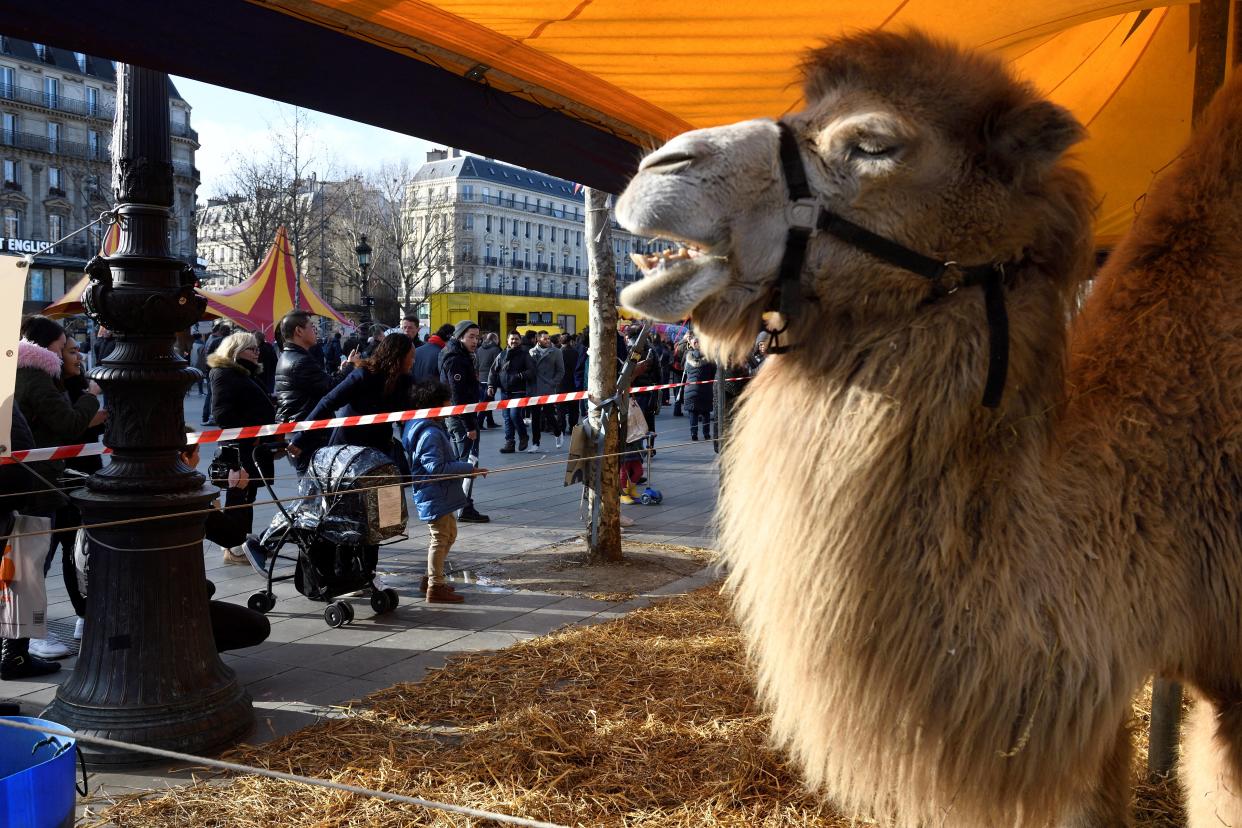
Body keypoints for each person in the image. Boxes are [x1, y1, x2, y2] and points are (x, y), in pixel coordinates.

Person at [11, 315, 105, 663]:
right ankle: (23, 642)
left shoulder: (24, 372)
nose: (71, 352)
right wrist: (91, 397)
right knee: (33, 564)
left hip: (33, 479)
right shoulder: (35, 375)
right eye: (64, 345)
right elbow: (66, 424)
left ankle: (20, 642)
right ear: (47, 346)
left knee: (32, 562)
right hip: (36, 481)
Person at [402, 380, 489, 604]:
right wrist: (469, 469)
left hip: (438, 493)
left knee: (449, 534)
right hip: (433, 493)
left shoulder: (428, 427)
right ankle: (435, 586)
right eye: (447, 403)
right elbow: (436, 468)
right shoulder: (429, 433)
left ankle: (432, 576)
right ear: (434, 406)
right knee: (440, 538)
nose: (451, 406)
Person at [47, 335, 104, 642]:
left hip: (85, 472)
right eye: (70, 351)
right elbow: (72, 425)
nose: (78, 356)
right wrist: (93, 400)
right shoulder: (54, 388)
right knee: (64, 547)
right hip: (64, 476)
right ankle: (79, 614)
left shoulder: (77, 386)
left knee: (78, 547)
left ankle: (86, 612)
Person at [289, 332, 415, 464]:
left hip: (380, 452)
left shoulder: (405, 381)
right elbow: (328, 403)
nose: (413, 361)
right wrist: (301, 437)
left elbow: (408, 413)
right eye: (411, 357)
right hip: (347, 452)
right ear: (398, 356)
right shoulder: (363, 375)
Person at [208, 331, 277, 564]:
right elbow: (222, 414)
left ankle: (242, 541)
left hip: (250, 446)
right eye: (252, 349)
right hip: (240, 448)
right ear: (236, 351)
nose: (257, 353)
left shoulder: (242, 373)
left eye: (258, 349)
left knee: (248, 495)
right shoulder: (225, 374)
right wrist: (250, 433)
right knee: (240, 494)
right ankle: (234, 547)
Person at [273, 310, 353, 474]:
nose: (315, 330)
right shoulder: (300, 360)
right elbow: (331, 389)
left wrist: (340, 370)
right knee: (312, 490)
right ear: (299, 331)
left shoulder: (292, 356)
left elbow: (322, 385)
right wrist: (350, 367)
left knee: (314, 488)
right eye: (312, 326)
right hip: (309, 435)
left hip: (305, 432)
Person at [438, 320, 489, 523]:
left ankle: (461, 503)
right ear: (459, 336)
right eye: (471, 337)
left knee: (464, 461)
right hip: (461, 418)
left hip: (461, 416)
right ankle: (463, 507)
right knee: (467, 461)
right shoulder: (455, 358)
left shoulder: (457, 353)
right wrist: (469, 426)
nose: (475, 341)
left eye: (477, 337)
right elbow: (457, 396)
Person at [489, 331, 534, 454]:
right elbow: (493, 371)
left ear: (520, 340)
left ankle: (523, 436)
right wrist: (490, 385)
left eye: (516, 339)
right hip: (504, 391)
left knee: (514, 415)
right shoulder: (501, 355)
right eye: (512, 339)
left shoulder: (525, 355)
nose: (514, 341)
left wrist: (519, 375)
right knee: (507, 417)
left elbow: (531, 371)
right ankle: (510, 443)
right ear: (507, 341)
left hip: (519, 391)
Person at [528, 330, 565, 450]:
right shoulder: (531, 352)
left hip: (548, 388)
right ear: (538, 340)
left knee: (549, 414)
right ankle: (535, 443)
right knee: (535, 417)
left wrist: (553, 383)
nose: (548, 341)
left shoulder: (556, 352)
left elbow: (561, 371)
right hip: (534, 389)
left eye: (548, 338)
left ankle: (558, 432)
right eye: (545, 339)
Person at [683, 336, 716, 440]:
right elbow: (713, 374)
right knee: (706, 412)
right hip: (705, 389)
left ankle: (694, 433)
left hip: (690, 389)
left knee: (693, 412)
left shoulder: (688, 358)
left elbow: (685, 372)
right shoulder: (710, 358)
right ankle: (706, 434)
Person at [200, 322, 231, 424]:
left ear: (220, 332)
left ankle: (207, 417)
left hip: (215, 370)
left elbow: (208, 357)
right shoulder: (233, 343)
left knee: (211, 394)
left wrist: (209, 371)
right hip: (228, 371)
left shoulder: (215, 342)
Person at [474, 332, 502, 429]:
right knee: (486, 402)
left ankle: (490, 421)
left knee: (488, 401)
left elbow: (476, 365)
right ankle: (479, 422)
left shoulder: (479, 349)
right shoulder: (496, 350)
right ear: (495, 339)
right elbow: (498, 366)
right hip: (490, 379)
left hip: (481, 379)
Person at [557, 333, 580, 435]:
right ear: (571, 341)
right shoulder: (575, 352)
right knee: (573, 408)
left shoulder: (558, 353)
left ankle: (561, 427)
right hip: (573, 383)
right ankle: (573, 428)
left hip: (561, 384)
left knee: (561, 409)